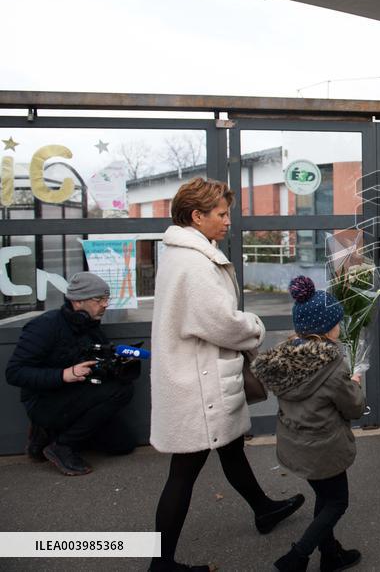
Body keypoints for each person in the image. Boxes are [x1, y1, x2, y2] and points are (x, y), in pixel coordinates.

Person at [149, 177, 304, 572]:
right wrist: (255, 325)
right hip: (198, 384)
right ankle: (161, 563)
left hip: (198, 377)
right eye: (220, 214)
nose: (227, 220)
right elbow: (220, 323)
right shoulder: (194, 262)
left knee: (231, 448)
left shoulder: (184, 255)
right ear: (196, 216)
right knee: (183, 473)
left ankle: (263, 509)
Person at [251, 275, 366, 572]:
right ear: (327, 329)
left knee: (325, 497)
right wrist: (354, 383)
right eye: (337, 322)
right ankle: (297, 556)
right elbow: (353, 407)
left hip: (296, 444)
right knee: (337, 502)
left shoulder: (285, 359)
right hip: (324, 448)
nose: (340, 326)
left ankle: (330, 555)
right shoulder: (332, 366)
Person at [5, 272, 136, 476]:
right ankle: (61, 446)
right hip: (45, 401)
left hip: (78, 397)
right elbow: (14, 372)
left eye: (106, 298)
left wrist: (116, 363)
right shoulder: (45, 326)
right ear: (77, 301)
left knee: (122, 444)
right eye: (99, 299)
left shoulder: (90, 326)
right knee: (121, 390)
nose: (105, 304)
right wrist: (63, 374)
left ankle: (49, 435)